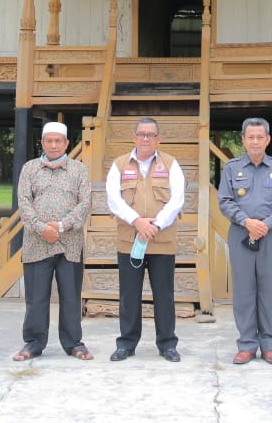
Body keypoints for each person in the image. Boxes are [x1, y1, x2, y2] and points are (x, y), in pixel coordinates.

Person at [106, 116, 186, 362]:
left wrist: (156, 224)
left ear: (158, 139)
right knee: (129, 295)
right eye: (141, 134)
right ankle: (127, 343)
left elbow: (177, 198)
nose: (145, 138)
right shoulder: (119, 165)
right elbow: (113, 199)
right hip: (131, 241)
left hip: (162, 240)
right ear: (134, 137)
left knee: (164, 295)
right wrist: (137, 221)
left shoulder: (170, 164)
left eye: (151, 135)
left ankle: (167, 344)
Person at [218, 117, 272, 365]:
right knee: (244, 291)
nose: (255, 142)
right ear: (243, 140)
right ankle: (247, 344)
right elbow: (225, 201)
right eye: (250, 137)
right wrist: (246, 222)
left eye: (259, 137)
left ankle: (271, 345)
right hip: (241, 234)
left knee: (271, 290)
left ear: (267, 139)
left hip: (270, 235)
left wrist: (266, 224)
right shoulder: (231, 168)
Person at [14, 121, 93, 361]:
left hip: (70, 243)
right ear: (42, 143)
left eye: (59, 140)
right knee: (36, 298)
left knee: (70, 296)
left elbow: (85, 203)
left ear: (67, 143)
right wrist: (41, 228)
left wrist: (60, 226)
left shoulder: (78, 170)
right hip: (37, 243)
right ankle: (33, 343)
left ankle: (74, 343)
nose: (54, 145)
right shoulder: (30, 169)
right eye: (49, 140)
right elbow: (24, 202)